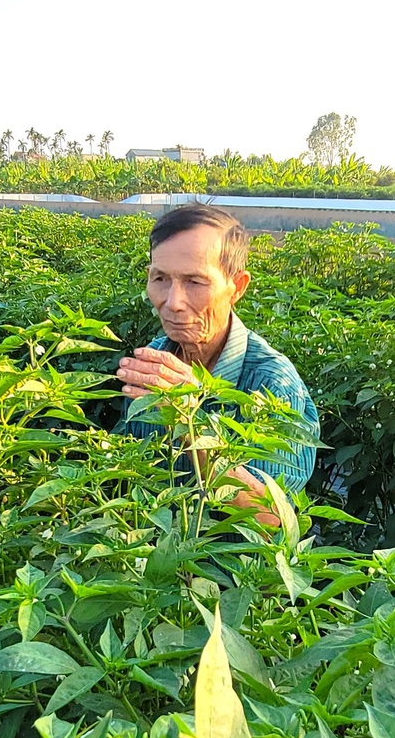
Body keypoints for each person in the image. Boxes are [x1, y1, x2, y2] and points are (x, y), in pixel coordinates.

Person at [115, 204, 317, 521]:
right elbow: (129, 471)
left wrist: (192, 425)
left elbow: (273, 522)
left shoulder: (272, 385)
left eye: (195, 282)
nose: (172, 302)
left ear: (237, 287)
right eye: (161, 278)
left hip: (225, 570)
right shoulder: (155, 360)